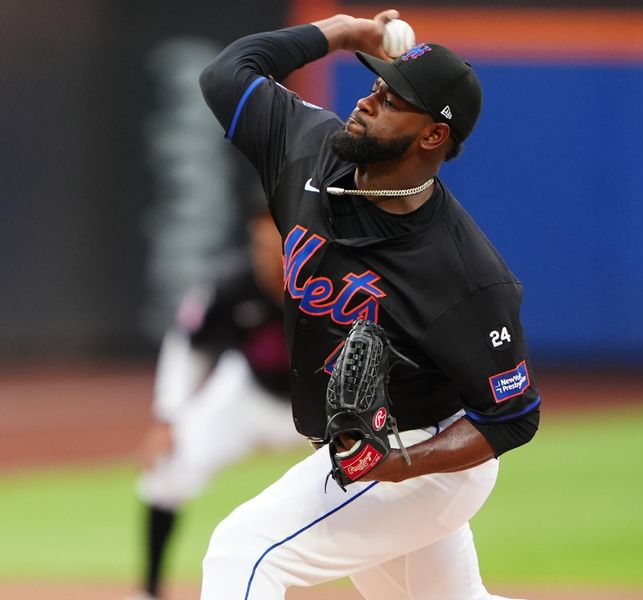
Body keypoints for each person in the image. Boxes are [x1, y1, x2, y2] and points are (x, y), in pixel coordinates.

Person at [197, 8, 541, 599]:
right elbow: (229, 72)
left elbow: (512, 417)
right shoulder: (307, 150)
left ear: (434, 135)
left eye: (391, 100)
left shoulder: (466, 275)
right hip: (365, 450)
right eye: (376, 86)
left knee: (246, 551)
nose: (367, 101)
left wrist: (397, 467)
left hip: (421, 460)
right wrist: (342, 32)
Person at [131, 212, 303, 600]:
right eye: (261, 245)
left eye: (279, 247)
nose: (269, 256)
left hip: (316, 405)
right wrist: (167, 417)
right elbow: (187, 344)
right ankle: (150, 591)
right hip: (248, 393)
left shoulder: (326, 284)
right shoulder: (231, 284)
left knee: (368, 483)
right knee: (167, 469)